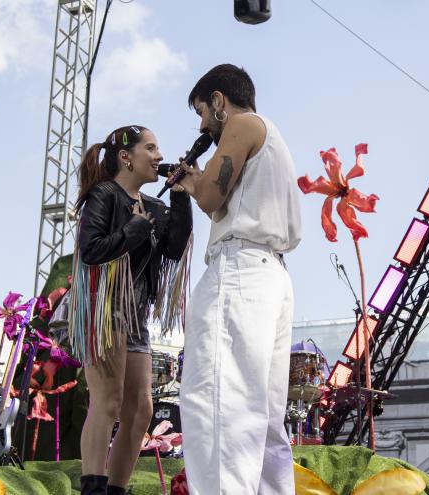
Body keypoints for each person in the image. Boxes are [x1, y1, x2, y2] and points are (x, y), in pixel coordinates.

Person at [176, 64, 302, 494]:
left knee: (218, 404)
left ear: (218, 100)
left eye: (202, 112)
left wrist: (196, 185)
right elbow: (220, 198)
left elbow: (212, 196)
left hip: (240, 271)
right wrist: (197, 183)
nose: (202, 125)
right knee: (262, 419)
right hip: (270, 276)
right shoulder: (271, 137)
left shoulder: (242, 122)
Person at [69, 125, 193, 495]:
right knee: (108, 400)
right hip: (103, 309)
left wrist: (181, 197)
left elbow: (173, 249)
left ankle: (115, 489)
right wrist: (135, 230)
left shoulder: (153, 205)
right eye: (150, 148)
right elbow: (91, 250)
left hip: (136, 312)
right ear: (126, 156)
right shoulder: (104, 195)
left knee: (140, 411)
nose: (158, 156)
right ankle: (93, 488)